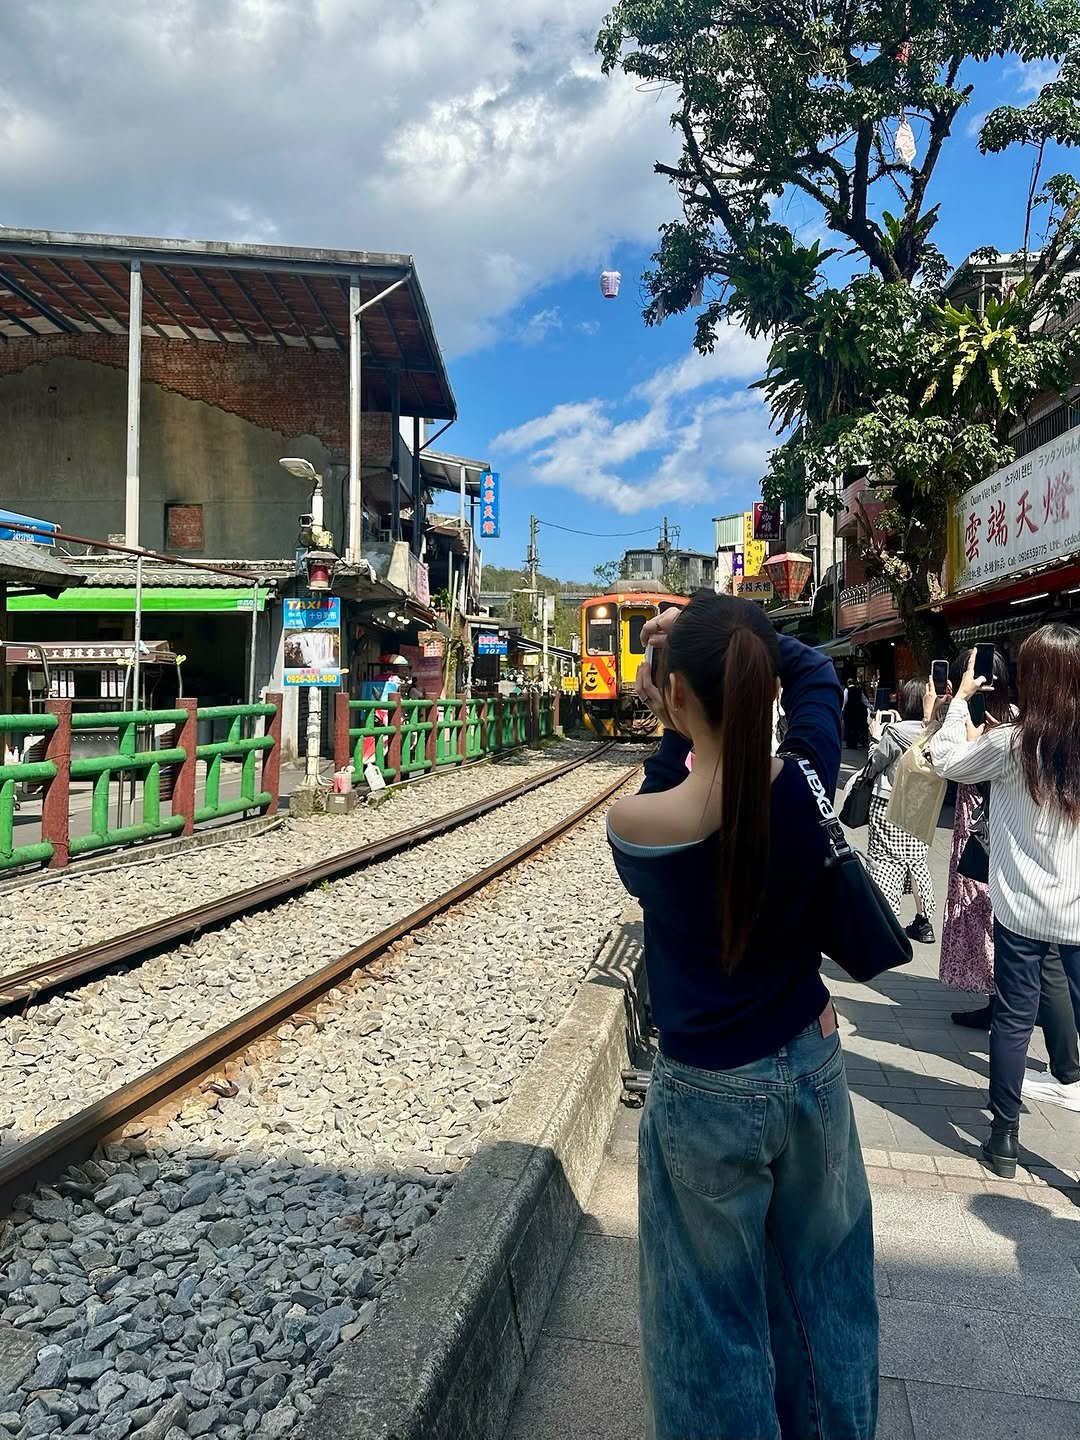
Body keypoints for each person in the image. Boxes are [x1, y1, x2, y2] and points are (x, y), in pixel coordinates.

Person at [606, 592, 878, 1440]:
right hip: (812, 1066)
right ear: (762, 687)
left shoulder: (640, 825)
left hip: (706, 1094)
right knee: (826, 1295)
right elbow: (816, 675)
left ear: (677, 696)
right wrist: (732, 630)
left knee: (709, 1328)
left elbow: (672, 780)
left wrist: (673, 712)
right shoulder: (804, 781)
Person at [930, 625, 1080, 1177]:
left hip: (1020, 912)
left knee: (1013, 1021)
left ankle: (1004, 1140)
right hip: (1078, 911)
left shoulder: (1011, 743)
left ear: (1031, 679)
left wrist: (961, 698)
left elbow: (946, 759)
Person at [942, 650, 1011, 1027]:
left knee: (985, 911)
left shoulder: (995, 725)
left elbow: (946, 764)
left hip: (982, 832)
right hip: (990, 831)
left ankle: (999, 1001)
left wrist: (958, 709)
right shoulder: (1017, 719)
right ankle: (1003, 997)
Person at [864, 678, 937, 943]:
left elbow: (873, 765)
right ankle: (924, 921)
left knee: (885, 861)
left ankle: (886, 921)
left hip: (888, 803)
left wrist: (874, 736)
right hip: (922, 807)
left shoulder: (894, 732)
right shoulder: (937, 732)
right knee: (917, 861)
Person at [843, 678, 871, 749]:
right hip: (857, 712)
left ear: (848, 683)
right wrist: (870, 706)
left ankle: (849, 744)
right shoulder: (859, 690)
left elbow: (845, 700)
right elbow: (864, 700)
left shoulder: (846, 690)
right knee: (855, 728)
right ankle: (855, 744)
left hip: (849, 711)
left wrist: (842, 709)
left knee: (848, 728)